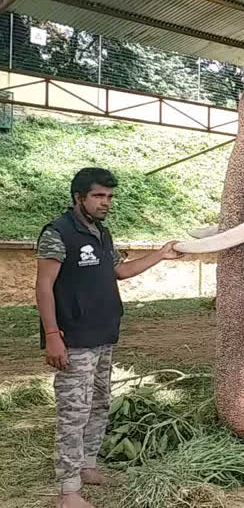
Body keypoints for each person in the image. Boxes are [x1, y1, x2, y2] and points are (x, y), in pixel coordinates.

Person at [35, 167, 184, 508]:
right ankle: (68, 491)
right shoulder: (57, 233)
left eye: (110, 196)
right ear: (79, 198)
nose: (106, 203)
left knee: (99, 404)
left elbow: (120, 271)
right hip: (73, 339)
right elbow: (44, 288)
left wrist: (161, 254)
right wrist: (53, 335)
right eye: (99, 196)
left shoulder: (102, 232)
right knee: (73, 412)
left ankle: (87, 466)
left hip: (104, 335)